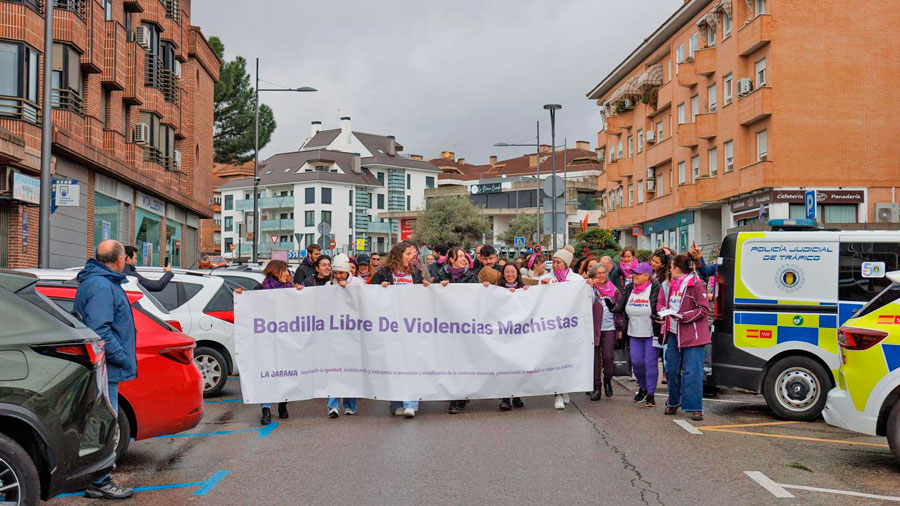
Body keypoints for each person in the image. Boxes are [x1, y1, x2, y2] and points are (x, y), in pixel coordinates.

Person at [74, 240, 136, 499]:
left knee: (100, 423)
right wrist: (121, 357)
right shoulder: (101, 285)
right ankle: (99, 480)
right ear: (119, 259)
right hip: (106, 367)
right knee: (103, 424)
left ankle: (96, 477)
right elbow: (101, 331)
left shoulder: (102, 281)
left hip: (105, 367)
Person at [234, 260, 299, 424]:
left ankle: (283, 404)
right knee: (266, 373)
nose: (288, 274)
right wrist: (241, 296)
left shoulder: (291, 290)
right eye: (285, 271)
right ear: (275, 271)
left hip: (286, 339)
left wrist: (301, 294)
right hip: (266, 340)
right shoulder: (260, 290)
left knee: (285, 372)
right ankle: (266, 409)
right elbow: (247, 308)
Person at [371, 242, 430, 417]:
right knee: (394, 364)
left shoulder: (416, 272)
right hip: (391, 326)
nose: (412, 256)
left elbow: (424, 295)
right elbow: (370, 295)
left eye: (413, 253)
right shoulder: (383, 273)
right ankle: (396, 402)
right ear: (399, 254)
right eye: (409, 253)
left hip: (412, 325)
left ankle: (411, 402)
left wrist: (427, 288)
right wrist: (379, 289)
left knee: (412, 363)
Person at [659, 254, 711, 421]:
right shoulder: (669, 285)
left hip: (693, 335)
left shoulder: (696, 284)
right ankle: (673, 401)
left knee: (692, 372)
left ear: (679, 268)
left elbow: (703, 309)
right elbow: (661, 302)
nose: (670, 269)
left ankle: (695, 407)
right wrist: (662, 313)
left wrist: (683, 316)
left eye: (672, 266)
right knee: (671, 370)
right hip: (674, 333)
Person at [435, 246, 479, 414]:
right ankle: (455, 396)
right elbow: (432, 295)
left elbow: (476, 299)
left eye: (464, 256)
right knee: (451, 361)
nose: (464, 259)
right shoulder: (441, 275)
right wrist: (440, 287)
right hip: (446, 327)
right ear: (451, 259)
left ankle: (459, 397)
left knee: (463, 360)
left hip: (465, 326)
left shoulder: (471, 276)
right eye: (459, 256)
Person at [612, 262, 661, 407]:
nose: (635, 276)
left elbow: (660, 306)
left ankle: (651, 394)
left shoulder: (655, 288)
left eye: (638, 274)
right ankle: (643, 387)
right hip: (634, 333)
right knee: (637, 363)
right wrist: (612, 307)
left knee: (650, 363)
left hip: (652, 333)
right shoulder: (629, 288)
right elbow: (620, 305)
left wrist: (659, 316)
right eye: (634, 273)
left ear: (647, 276)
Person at [541, 245, 583, 410]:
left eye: (559, 262)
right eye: (554, 262)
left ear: (566, 264)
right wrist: (541, 287)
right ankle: (557, 392)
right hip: (551, 327)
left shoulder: (577, 280)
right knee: (555, 360)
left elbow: (588, 298)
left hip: (570, 326)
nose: (555, 265)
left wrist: (588, 286)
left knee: (568, 359)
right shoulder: (545, 279)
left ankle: (565, 388)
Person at [326, 254, 363, 417]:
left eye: (341, 272)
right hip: (334, 333)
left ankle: (350, 405)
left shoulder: (357, 283)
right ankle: (332, 405)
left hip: (353, 333)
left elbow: (363, 303)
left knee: (351, 370)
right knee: (333, 370)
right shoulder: (328, 285)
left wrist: (347, 290)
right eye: (336, 273)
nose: (338, 276)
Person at [495, 263, 529, 411]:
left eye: (512, 272)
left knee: (518, 364)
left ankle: (517, 395)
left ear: (517, 274)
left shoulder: (524, 288)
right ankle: (505, 398)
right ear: (503, 274)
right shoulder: (496, 289)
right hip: (503, 333)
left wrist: (527, 293)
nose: (510, 274)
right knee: (504, 365)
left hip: (519, 333)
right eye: (507, 272)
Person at [590, 263, 623, 401]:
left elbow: (620, 309)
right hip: (593, 329)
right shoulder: (589, 289)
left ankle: (608, 380)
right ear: (594, 275)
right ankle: (597, 387)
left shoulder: (614, 290)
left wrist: (620, 328)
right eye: (599, 273)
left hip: (609, 328)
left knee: (608, 357)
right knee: (595, 360)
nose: (602, 275)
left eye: (604, 272)